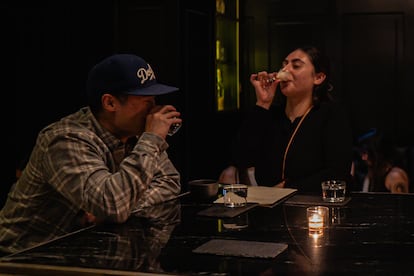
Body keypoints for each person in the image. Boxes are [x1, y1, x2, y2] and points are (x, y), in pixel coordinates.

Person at [0, 54, 182, 255]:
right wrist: (152, 139)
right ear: (110, 103)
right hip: (23, 258)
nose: (154, 109)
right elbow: (113, 206)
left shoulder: (135, 133)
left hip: (80, 253)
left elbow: (169, 181)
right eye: (145, 101)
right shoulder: (65, 139)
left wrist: (122, 206)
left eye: (154, 99)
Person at [220, 45, 353, 193]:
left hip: (313, 207)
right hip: (268, 207)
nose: (285, 70)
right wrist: (262, 103)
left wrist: (287, 188)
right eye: (284, 65)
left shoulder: (330, 115)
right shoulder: (272, 115)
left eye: (296, 66)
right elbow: (242, 158)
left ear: (318, 77)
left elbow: (338, 172)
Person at [353, 128, 410, 193]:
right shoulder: (372, 174)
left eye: (366, 153)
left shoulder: (394, 177)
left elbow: (401, 203)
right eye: (362, 153)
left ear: (377, 153)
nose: (363, 158)